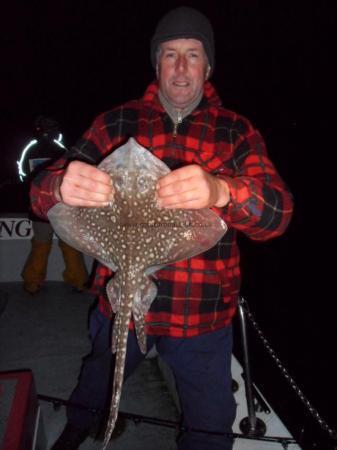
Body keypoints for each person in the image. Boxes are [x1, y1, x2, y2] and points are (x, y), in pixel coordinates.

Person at [31, 7, 293, 450]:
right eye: (170, 54)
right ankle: (81, 424)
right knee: (100, 374)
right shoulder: (115, 123)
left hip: (202, 317)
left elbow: (278, 214)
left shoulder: (235, 133)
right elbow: (40, 194)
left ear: (208, 66)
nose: (181, 66)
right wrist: (61, 182)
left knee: (210, 425)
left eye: (193, 55)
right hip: (122, 299)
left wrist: (222, 191)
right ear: (157, 64)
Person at [18, 115, 88, 294]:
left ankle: (33, 282)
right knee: (69, 245)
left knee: (41, 245)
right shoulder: (63, 150)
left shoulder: (30, 149)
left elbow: (22, 175)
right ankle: (79, 281)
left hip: (41, 209)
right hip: (61, 208)